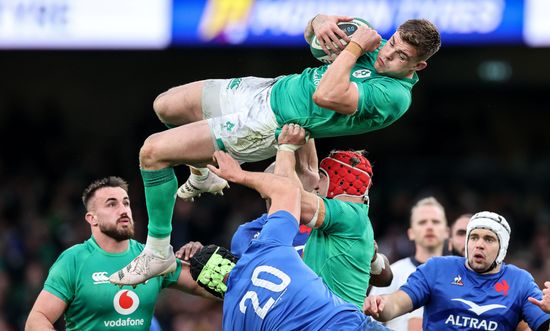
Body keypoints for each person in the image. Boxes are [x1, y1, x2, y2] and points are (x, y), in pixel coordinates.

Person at [110, 14, 440, 285]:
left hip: (266, 124)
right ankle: (201, 173)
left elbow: (325, 95)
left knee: (151, 152)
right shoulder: (373, 41)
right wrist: (320, 22)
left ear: (418, 66)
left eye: (401, 57)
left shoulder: (394, 95)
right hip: (267, 88)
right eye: (393, 43)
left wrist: (354, 47)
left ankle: (157, 252)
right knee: (166, 106)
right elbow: (314, 37)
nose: (387, 54)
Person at [189, 150, 391, 330]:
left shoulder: (327, 221)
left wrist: (372, 258)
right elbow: (237, 282)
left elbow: (385, 277)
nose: (313, 183)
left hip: (340, 317)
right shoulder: (250, 234)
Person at [25, 177, 213, 331]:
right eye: (111, 204)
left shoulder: (152, 256)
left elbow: (210, 288)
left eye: (126, 203)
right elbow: (37, 319)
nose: (123, 210)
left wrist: (203, 261)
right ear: (92, 218)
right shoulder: (73, 260)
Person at [364, 211, 550, 331]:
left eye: (489, 239)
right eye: (474, 237)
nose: (479, 245)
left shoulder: (520, 281)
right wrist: (380, 305)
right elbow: (395, 305)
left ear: (502, 248)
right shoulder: (437, 269)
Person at [369, 196, 449, 330]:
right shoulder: (393, 273)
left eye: (435, 222)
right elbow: (369, 323)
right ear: (411, 233)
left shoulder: (457, 275)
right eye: (422, 222)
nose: (429, 227)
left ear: (447, 232)